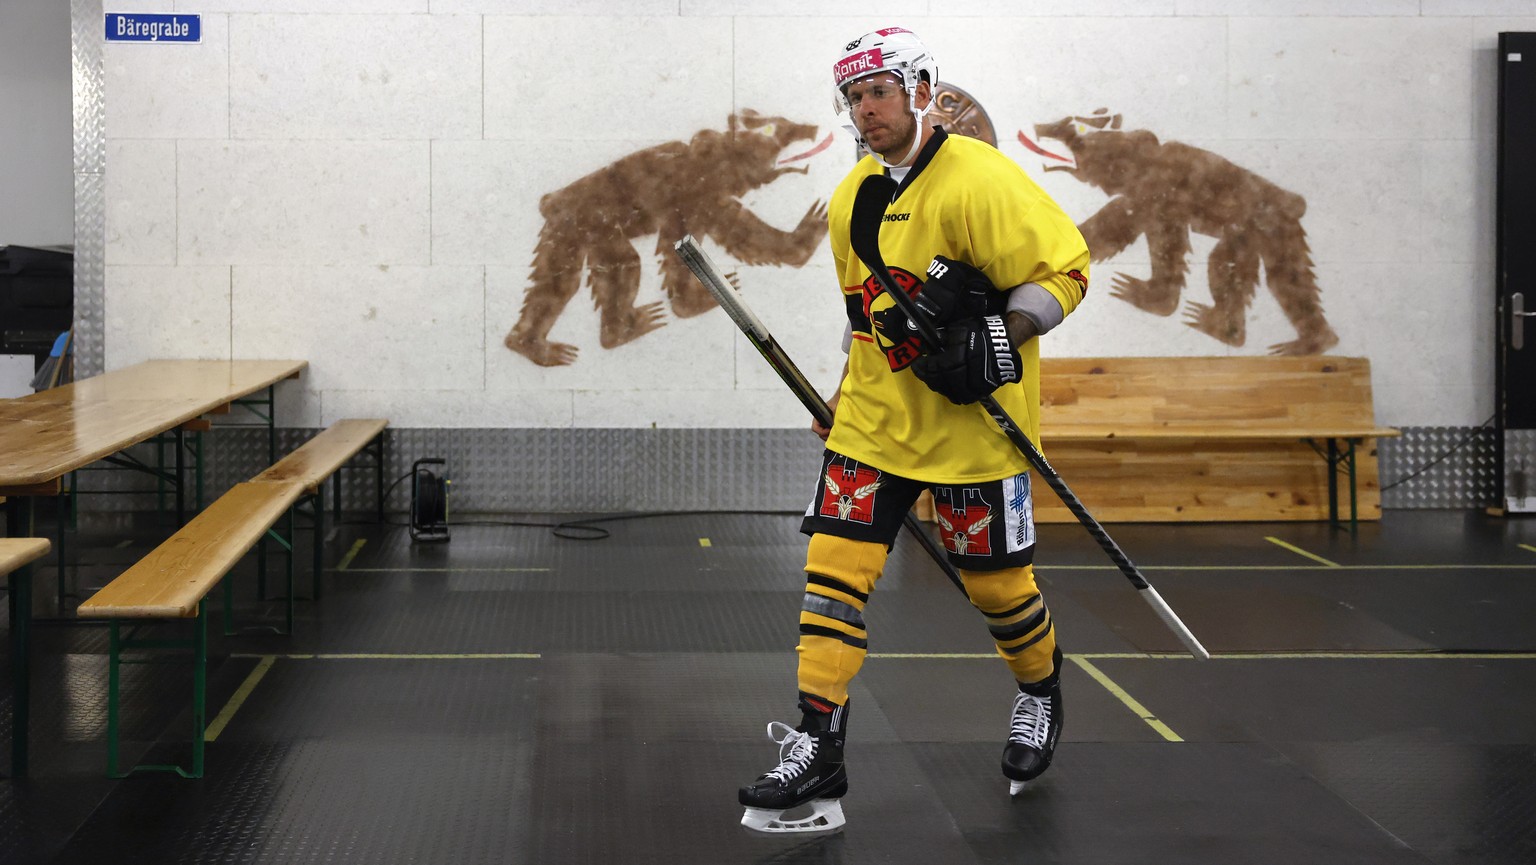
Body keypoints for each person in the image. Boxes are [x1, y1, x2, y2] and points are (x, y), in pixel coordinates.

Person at [738, 26, 1091, 835]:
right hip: (873, 426)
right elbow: (862, 318)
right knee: (832, 573)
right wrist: (838, 399)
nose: (868, 109)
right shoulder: (852, 200)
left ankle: (1040, 688)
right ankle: (819, 746)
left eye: (881, 91)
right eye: (855, 97)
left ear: (921, 88)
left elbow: (1067, 271)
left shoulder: (981, 179)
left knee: (999, 592)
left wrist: (1002, 335)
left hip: (973, 431)